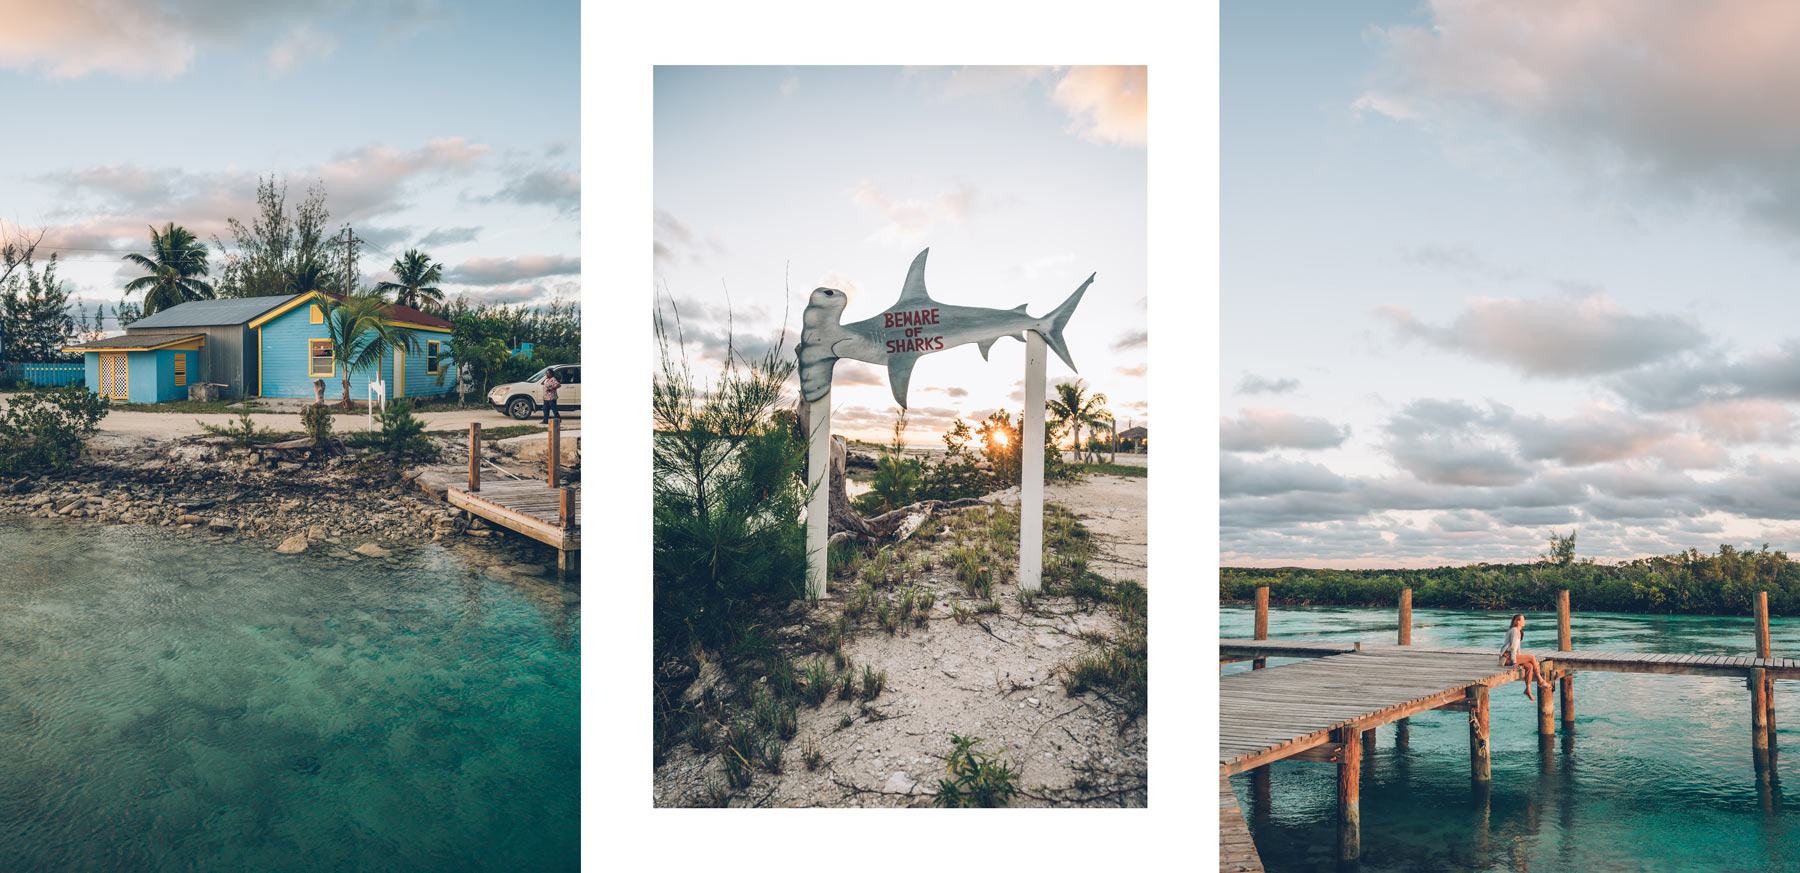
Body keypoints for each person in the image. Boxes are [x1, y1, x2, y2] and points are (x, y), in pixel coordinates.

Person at [1500, 613, 1545, 701]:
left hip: (1512, 656)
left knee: (1529, 666)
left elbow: (1517, 649)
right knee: (1531, 657)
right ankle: (1540, 680)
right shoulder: (1514, 631)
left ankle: (1527, 689)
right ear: (1517, 622)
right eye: (1522, 619)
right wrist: (1514, 662)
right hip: (1506, 658)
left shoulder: (1518, 631)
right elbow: (1512, 648)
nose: (1524, 621)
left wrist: (1520, 659)